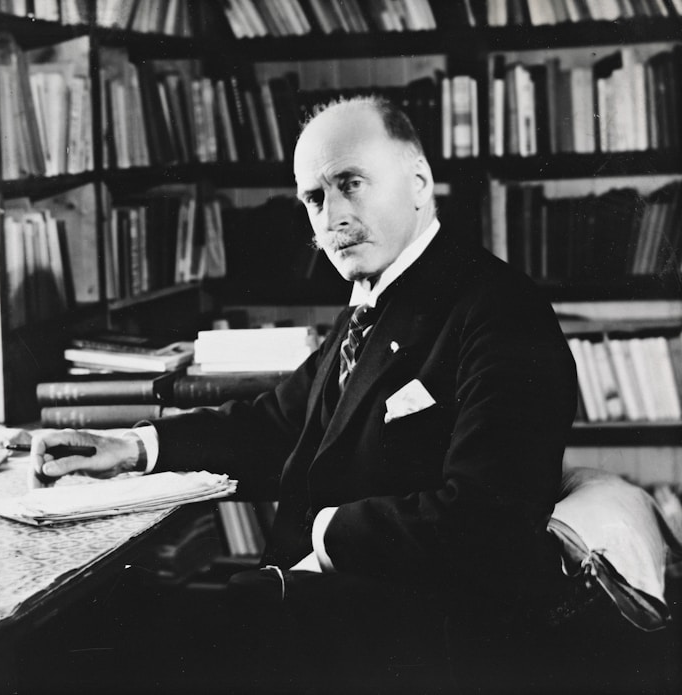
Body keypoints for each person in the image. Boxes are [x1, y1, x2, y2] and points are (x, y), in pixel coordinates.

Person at [30, 96, 581, 692]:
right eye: (315, 198)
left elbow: (487, 516)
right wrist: (132, 448)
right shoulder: (372, 300)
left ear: (418, 182)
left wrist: (320, 537)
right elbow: (278, 425)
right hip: (329, 615)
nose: (332, 217)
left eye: (350, 184)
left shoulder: (498, 309)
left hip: (418, 645)